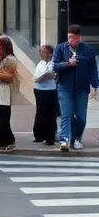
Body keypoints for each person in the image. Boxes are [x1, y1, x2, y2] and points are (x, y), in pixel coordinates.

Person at [52, 24, 99, 152]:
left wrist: (95, 85)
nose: (72, 40)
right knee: (66, 114)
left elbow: (93, 68)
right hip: (65, 87)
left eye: (75, 38)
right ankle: (64, 139)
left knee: (81, 116)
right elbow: (55, 66)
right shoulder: (61, 48)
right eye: (70, 37)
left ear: (80, 38)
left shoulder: (87, 49)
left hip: (82, 88)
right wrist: (67, 63)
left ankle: (77, 137)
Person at [0, 36, 20, 153]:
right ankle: (5, 142)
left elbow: (8, 77)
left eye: (0, 46)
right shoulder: (0, 58)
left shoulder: (11, 59)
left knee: (3, 119)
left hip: (4, 93)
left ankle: (5, 143)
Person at [32, 44, 59, 145]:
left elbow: (51, 75)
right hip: (39, 90)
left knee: (50, 114)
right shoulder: (40, 63)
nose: (40, 53)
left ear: (49, 53)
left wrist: (43, 77)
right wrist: (43, 77)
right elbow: (37, 78)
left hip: (50, 90)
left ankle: (50, 138)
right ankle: (38, 135)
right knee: (40, 113)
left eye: (43, 51)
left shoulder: (53, 64)